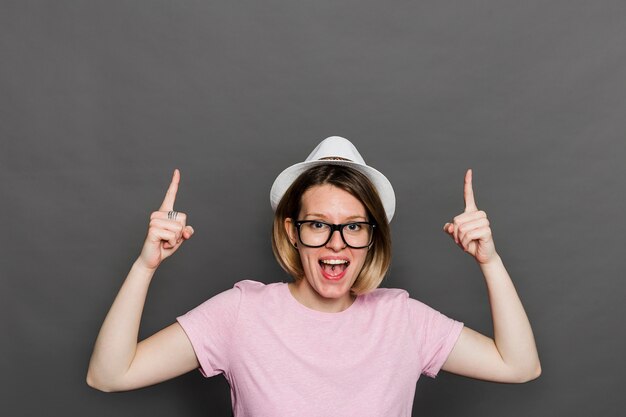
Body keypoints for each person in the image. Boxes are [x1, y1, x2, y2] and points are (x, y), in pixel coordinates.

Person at [86, 136, 541, 416]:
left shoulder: (403, 320)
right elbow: (110, 375)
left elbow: (519, 366)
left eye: (354, 227)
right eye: (318, 224)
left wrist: (490, 262)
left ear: (372, 237)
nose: (336, 242)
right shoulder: (241, 313)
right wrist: (145, 266)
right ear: (293, 231)